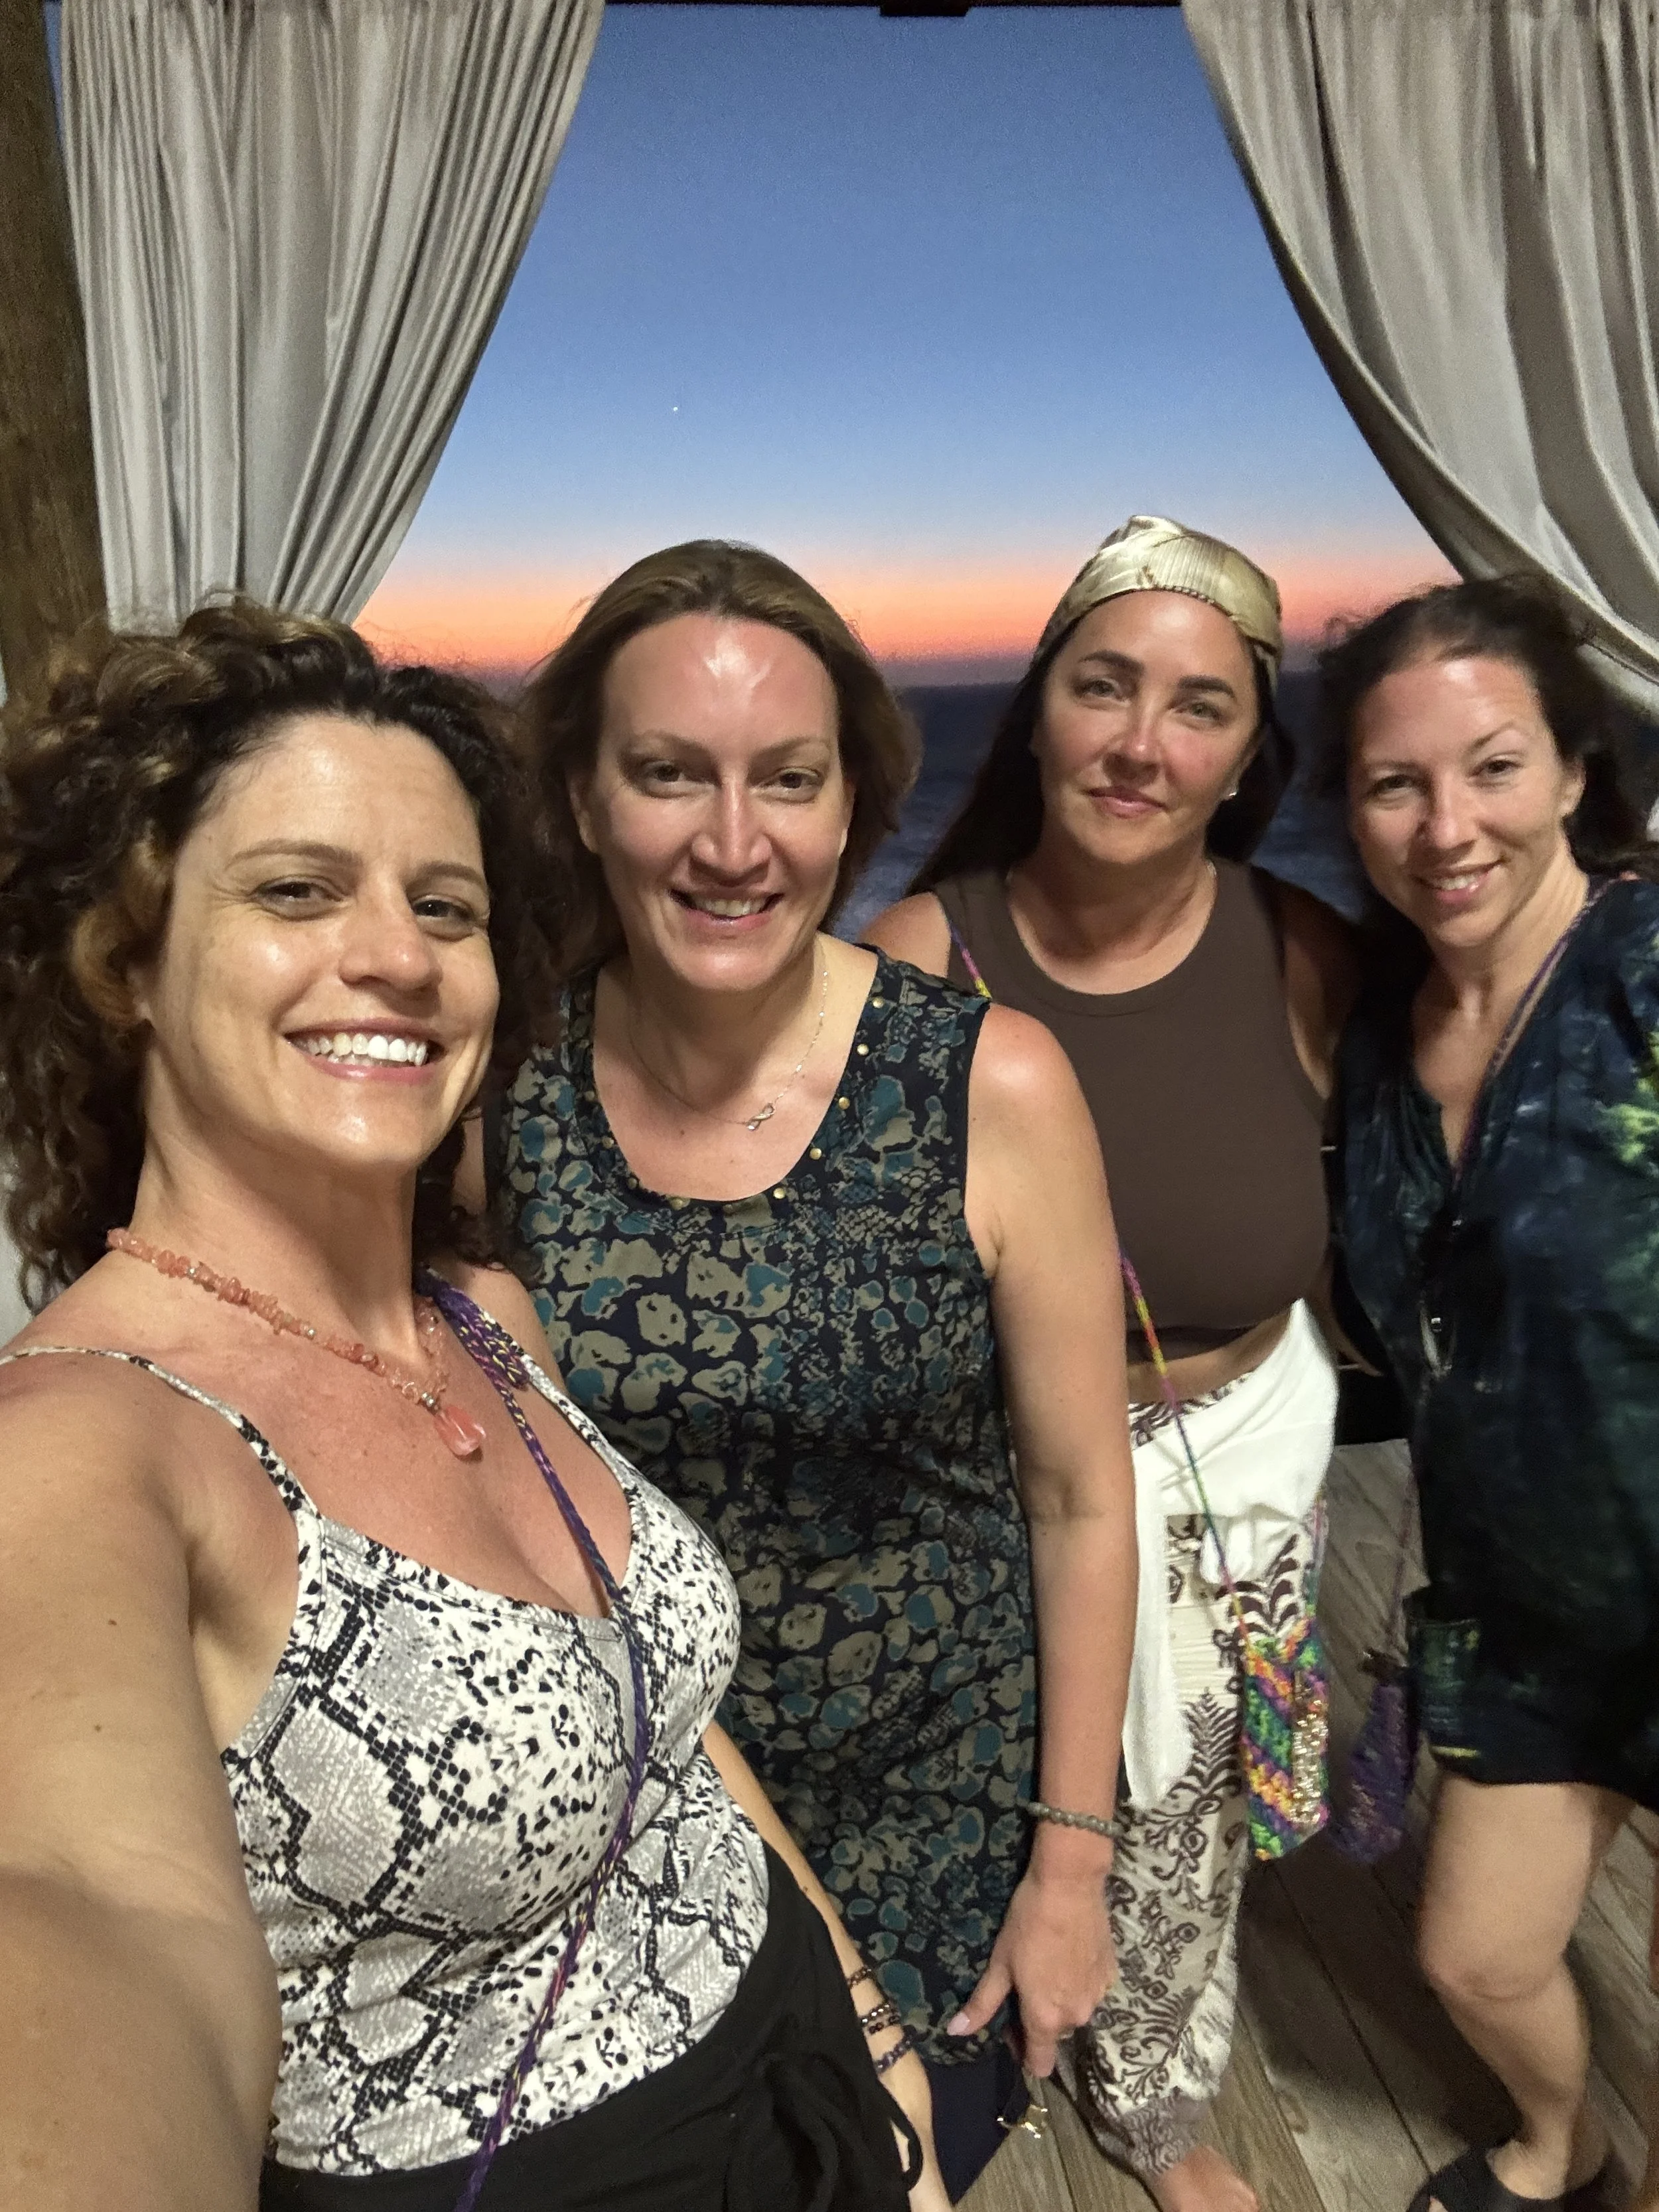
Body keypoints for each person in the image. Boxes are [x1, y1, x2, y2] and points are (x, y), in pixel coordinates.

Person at [0, 600, 936, 2212]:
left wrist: (864, 2026)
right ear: (125, 962)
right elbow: (92, 1909)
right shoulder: (90, 1441)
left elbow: (665, 1721)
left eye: (449, 905)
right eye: (296, 891)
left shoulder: (485, 1319)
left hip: (803, 2075)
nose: (396, 954)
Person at [482, 538, 1137, 2202]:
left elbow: (1074, 1496)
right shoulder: (511, 1094)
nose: (731, 840)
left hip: (939, 1814)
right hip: (643, 1819)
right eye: (666, 775)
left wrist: (1071, 1861)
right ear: (578, 797)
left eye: (787, 778)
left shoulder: (989, 1086)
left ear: (851, 806)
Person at [867, 514, 1353, 2212]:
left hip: (1240, 1452)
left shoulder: (1304, 954)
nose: (1141, 742)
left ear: (1244, 761)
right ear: (1039, 714)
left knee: (1184, 1821)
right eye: (1103, 687)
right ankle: (969, 2031)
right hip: (1000, 1473)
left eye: (1198, 708)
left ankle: (1146, 2103)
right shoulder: (916, 963)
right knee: (1005, 1779)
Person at [1325, 576, 1659, 2212]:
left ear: (1578, 773)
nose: (1444, 826)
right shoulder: (1381, 1045)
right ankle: (1566, 2146)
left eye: (1493, 767)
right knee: (1472, 1957)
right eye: (1394, 783)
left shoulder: (1642, 975)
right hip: (1524, 1620)